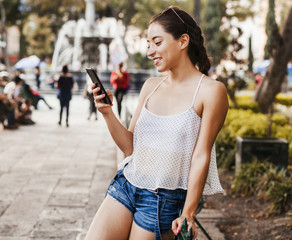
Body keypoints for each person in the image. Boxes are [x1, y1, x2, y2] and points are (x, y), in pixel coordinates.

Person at [85, 6, 228, 240]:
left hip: (162, 200)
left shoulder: (211, 91)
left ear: (183, 41)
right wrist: (107, 113)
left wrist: (188, 213)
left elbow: (201, 155)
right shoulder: (151, 86)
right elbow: (131, 148)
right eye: (148, 43)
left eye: (157, 42)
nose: (150, 51)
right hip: (126, 185)